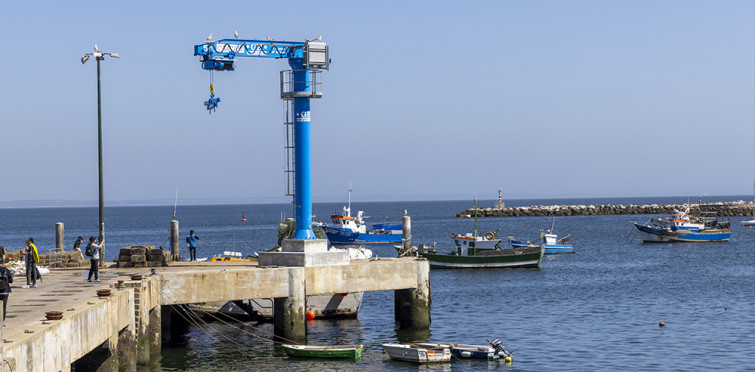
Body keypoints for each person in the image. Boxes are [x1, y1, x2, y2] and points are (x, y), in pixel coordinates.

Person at [0, 260, 13, 327]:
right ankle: (2, 323)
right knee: (3, 308)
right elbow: (11, 280)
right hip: (5, 291)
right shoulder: (6, 270)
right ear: (3, 263)